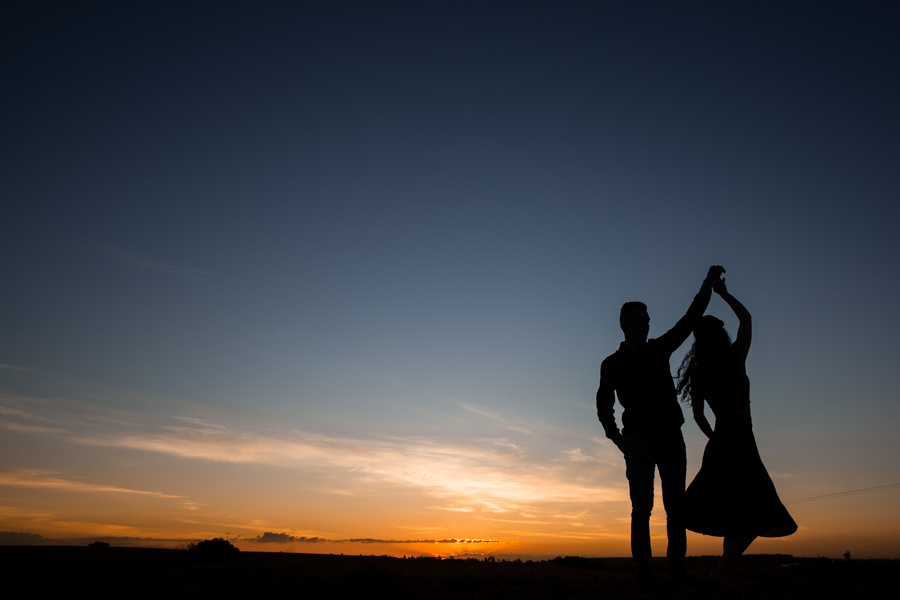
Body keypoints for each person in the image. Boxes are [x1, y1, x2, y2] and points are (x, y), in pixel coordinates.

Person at [597, 266, 724, 590]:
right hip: (637, 441)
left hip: (670, 437)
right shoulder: (612, 364)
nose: (646, 323)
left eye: (648, 319)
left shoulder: (659, 349)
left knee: (675, 507)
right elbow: (603, 406)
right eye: (640, 320)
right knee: (642, 508)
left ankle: (677, 571)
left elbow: (690, 318)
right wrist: (619, 439)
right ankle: (643, 573)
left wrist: (706, 285)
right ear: (625, 324)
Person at [675, 275, 797, 587]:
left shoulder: (701, 372)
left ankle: (727, 572)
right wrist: (725, 294)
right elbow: (747, 318)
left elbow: (700, 416)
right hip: (740, 437)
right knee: (756, 506)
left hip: (721, 439)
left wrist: (713, 437)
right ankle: (723, 570)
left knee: (734, 507)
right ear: (721, 335)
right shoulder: (734, 358)